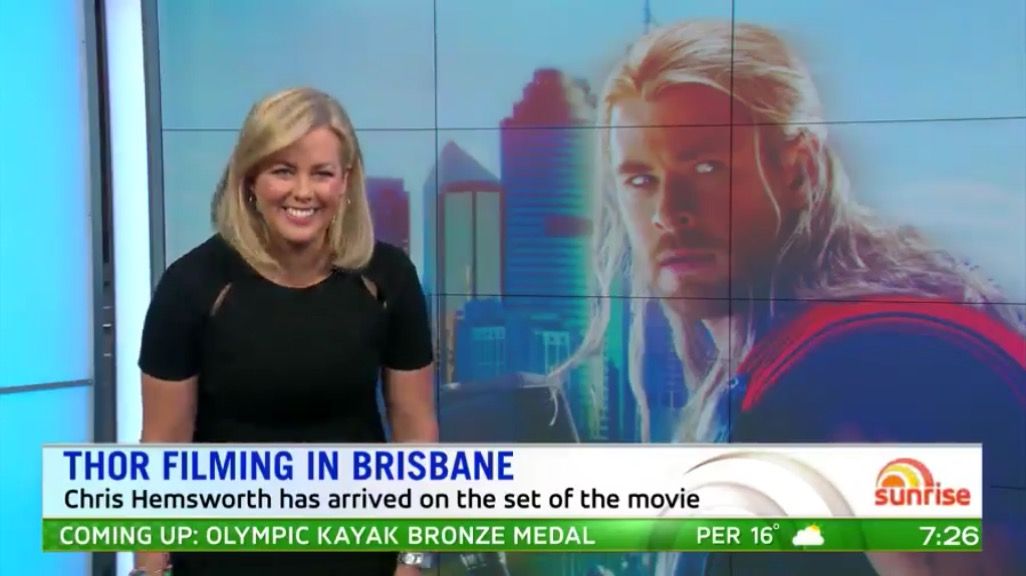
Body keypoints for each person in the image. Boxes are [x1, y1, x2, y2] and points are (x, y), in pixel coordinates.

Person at [564, 20, 1026, 576]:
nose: (668, 212)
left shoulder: (865, 368)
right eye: (641, 181)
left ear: (798, 169)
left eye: (707, 167)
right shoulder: (790, 364)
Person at [133, 87, 437, 575]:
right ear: (250, 178)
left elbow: (415, 427)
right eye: (283, 170)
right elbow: (162, 445)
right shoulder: (192, 285)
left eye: (322, 173)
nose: (303, 192)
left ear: (345, 181)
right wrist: (150, 568)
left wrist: (414, 558)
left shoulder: (387, 278)